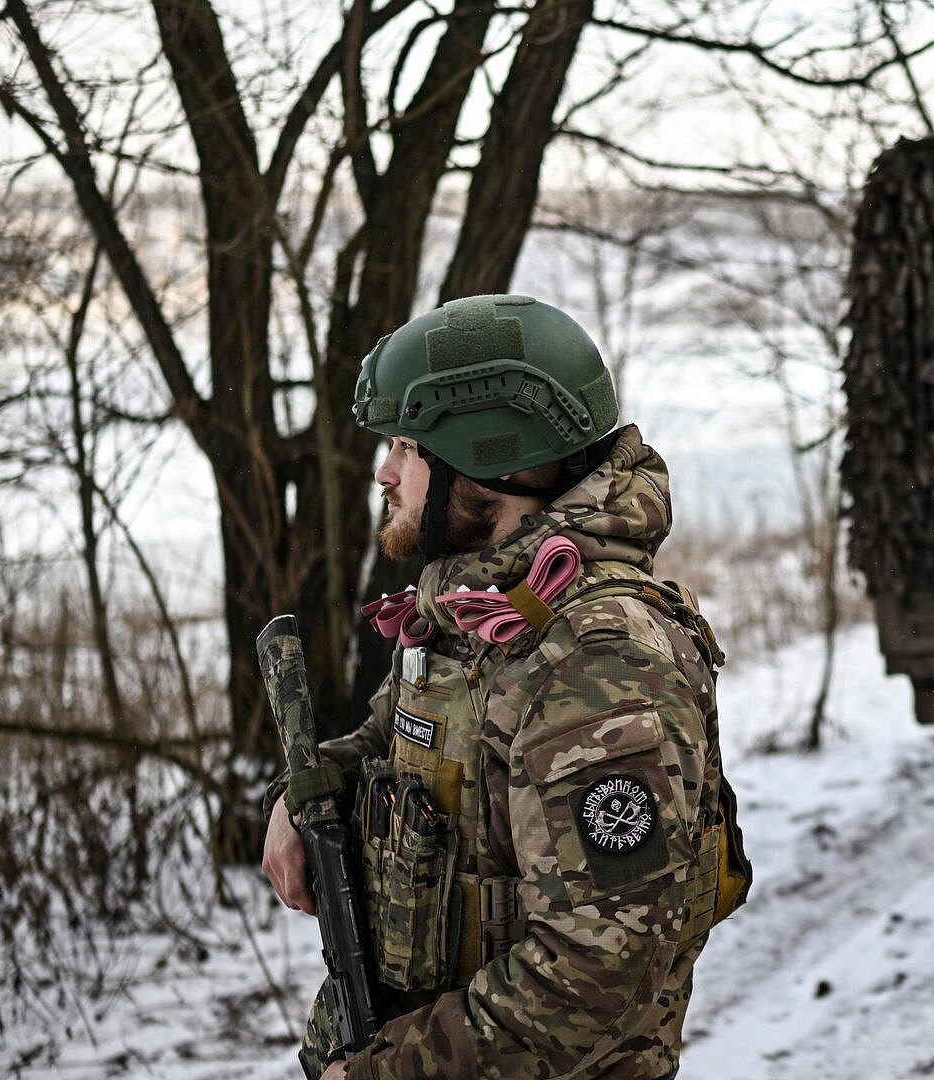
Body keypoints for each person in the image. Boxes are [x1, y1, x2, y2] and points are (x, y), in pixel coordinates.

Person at [259, 294, 750, 1080]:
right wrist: (303, 793)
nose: (384, 473)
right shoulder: (479, 612)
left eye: (407, 447)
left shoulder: (601, 665)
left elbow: (594, 976)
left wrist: (389, 1072)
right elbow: (394, 741)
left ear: (489, 458)